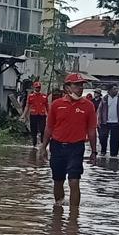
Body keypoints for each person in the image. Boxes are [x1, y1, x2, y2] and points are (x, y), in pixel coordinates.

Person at [41, 73, 99, 208]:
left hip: (76, 148)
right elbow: (49, 127)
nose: (80, 88)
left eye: (82, 85)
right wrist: (43, 147)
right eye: (77, 85)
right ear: (67, 87)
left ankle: (74, 218)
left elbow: (91, 130)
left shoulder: (88, 106)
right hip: (57, 147)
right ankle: (58, 210)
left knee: (74, 181)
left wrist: (94, 151)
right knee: (58, 181)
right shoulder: (56, 105)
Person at [96, 85, 119, 158]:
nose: (116, 90)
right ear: (109, 90)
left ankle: (114, 154)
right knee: (103, 137)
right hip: (105, 122)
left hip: (117, 122)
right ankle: (103, 151)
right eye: (114, 89)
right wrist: (98, 120)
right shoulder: (105, 98)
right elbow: (100, 110)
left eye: (116, 89)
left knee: (115, 139)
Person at [21, 81, 49, 147]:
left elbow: (47, 106)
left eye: (39, 88)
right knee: (34, 130)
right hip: (33, 115)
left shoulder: (44, 96)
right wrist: (23, 115)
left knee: (42, 129)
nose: (38, 89)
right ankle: (34, 143)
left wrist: (49, 115)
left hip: (42, 115)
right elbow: (27, 106)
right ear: (34, 88)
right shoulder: (31, 96)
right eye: (37, 88)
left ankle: (42, 143)